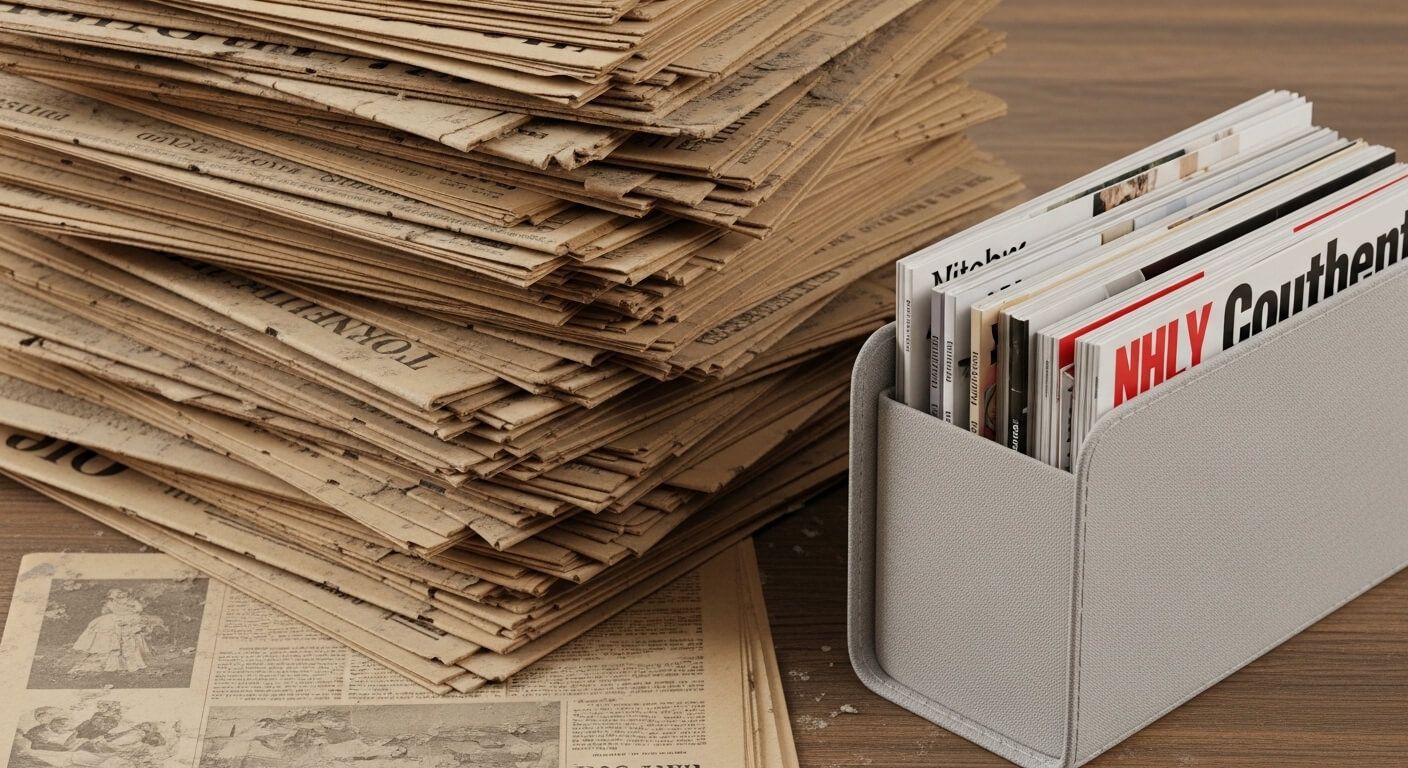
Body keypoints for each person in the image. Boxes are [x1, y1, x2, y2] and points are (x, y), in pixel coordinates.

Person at [70, 589, 154, 674]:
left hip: (129, 621)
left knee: (129, 642)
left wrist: (130, 617)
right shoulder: (110, 604)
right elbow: (105, 612)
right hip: (116, 622)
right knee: (112, 640)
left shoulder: (132, 602)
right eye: (118, 594)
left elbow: (138, 611)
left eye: (122, 593)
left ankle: (129, 664)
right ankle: (112, 664)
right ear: (112, 596)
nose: (121, 596)